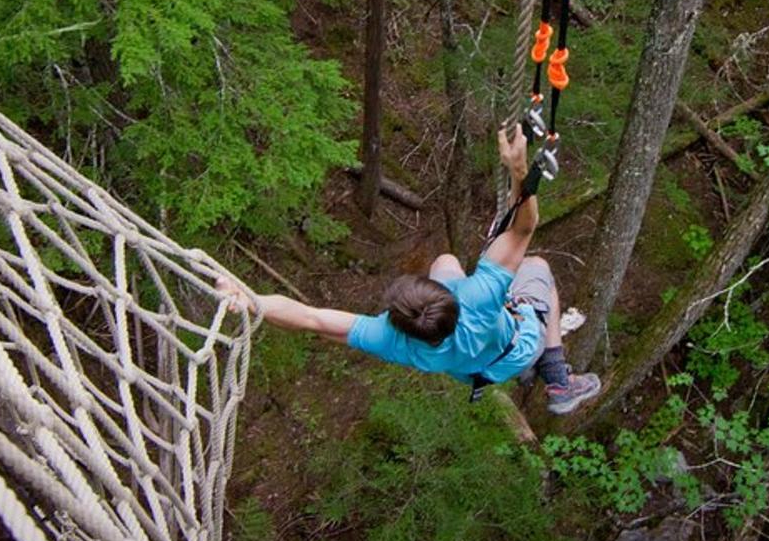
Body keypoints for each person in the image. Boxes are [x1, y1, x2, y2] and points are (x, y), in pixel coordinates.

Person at [217, 127, 601, 414]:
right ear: (449, 299)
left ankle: (539, 367)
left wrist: (251, 301)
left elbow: (311, 319)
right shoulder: (478, 298)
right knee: (537, 268)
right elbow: (523, 227)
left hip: (473, 373)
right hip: (518, 346)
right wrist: (519, 170)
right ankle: (558, 379)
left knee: (446, 262)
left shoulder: (392, 339)